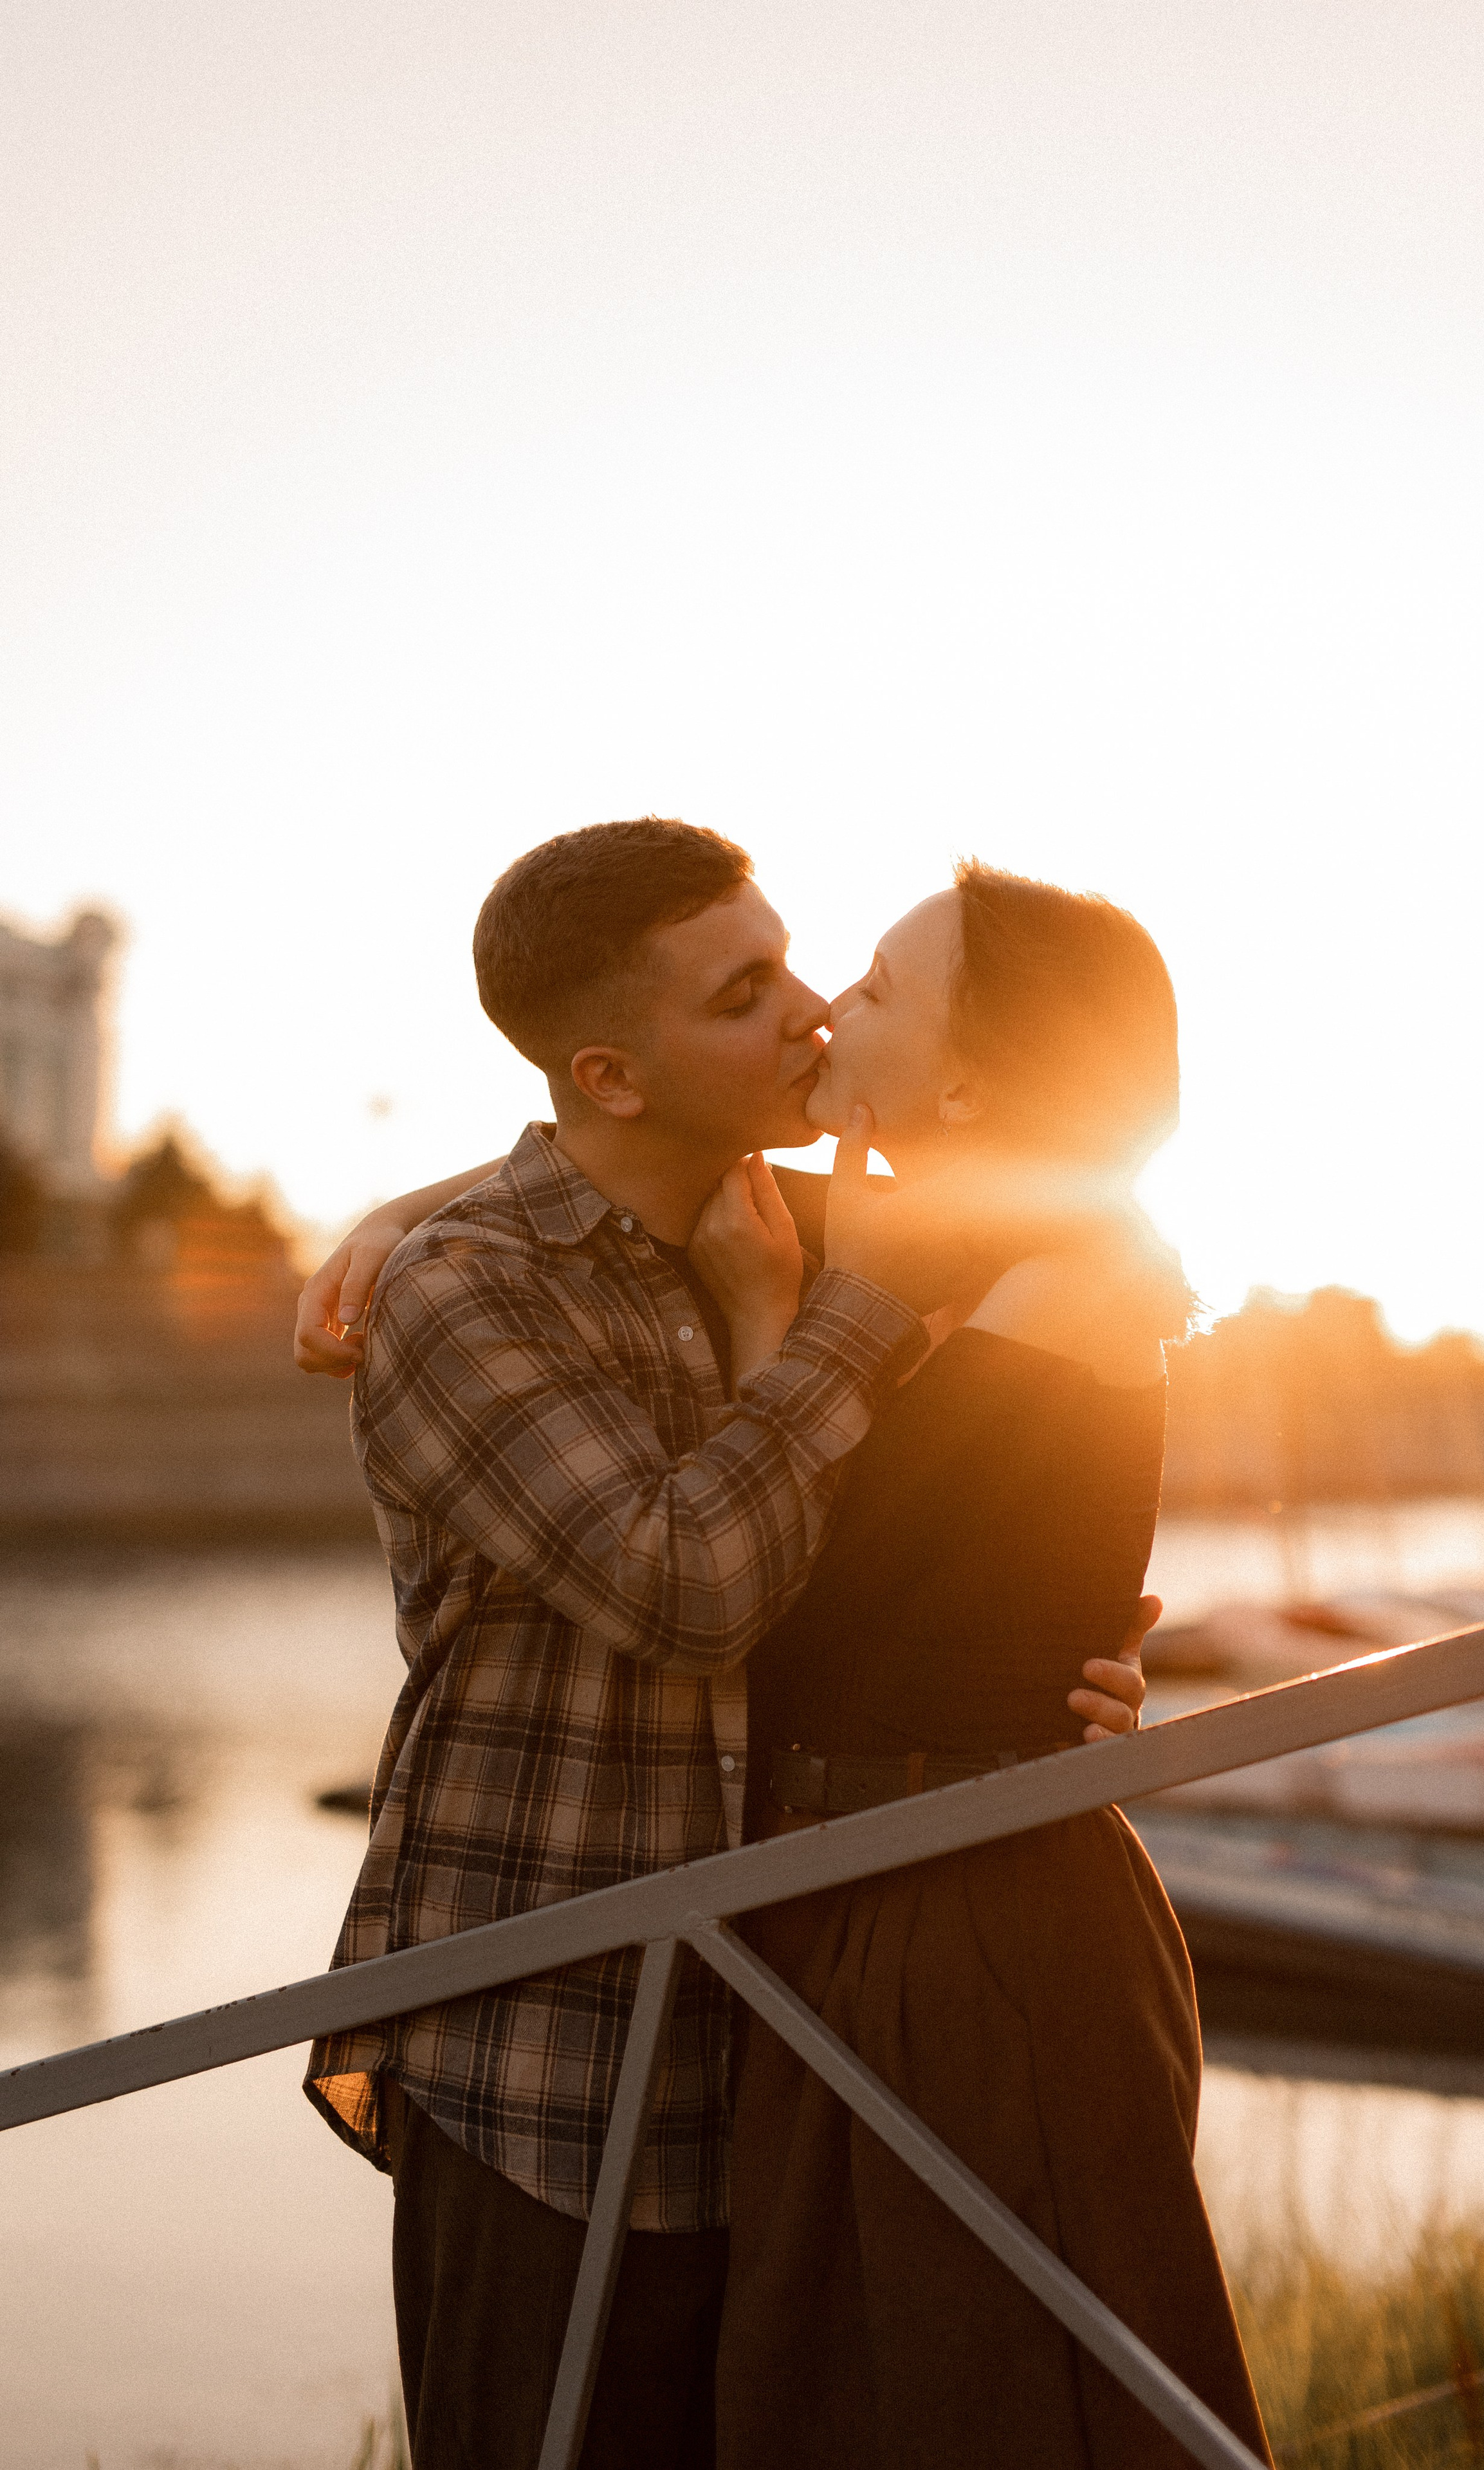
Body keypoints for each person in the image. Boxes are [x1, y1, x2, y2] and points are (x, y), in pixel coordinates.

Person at [293, 818, 1150, 2470]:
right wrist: (823, 1326)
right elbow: (679, 1591)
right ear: (611, 1073)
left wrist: (1037, 1685)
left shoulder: (802, 1220)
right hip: (549, 2052)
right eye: (747, 993)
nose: (815, 1009)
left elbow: (1080, 1191)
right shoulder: (467, 1296)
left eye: (797, 957)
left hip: (784, 2055)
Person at [688, 861, 1272, 2469]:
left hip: (983, 1918)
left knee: (1027, 2400)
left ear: (962, 1074)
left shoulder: (1078, 1269)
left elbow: (788, 1590)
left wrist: (763, 1333)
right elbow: (591, 1167)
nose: (827, 1008)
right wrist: (394, 1220)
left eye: (873, 985)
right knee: (836, 2397)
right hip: (840, 1904)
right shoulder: (896, 1251)